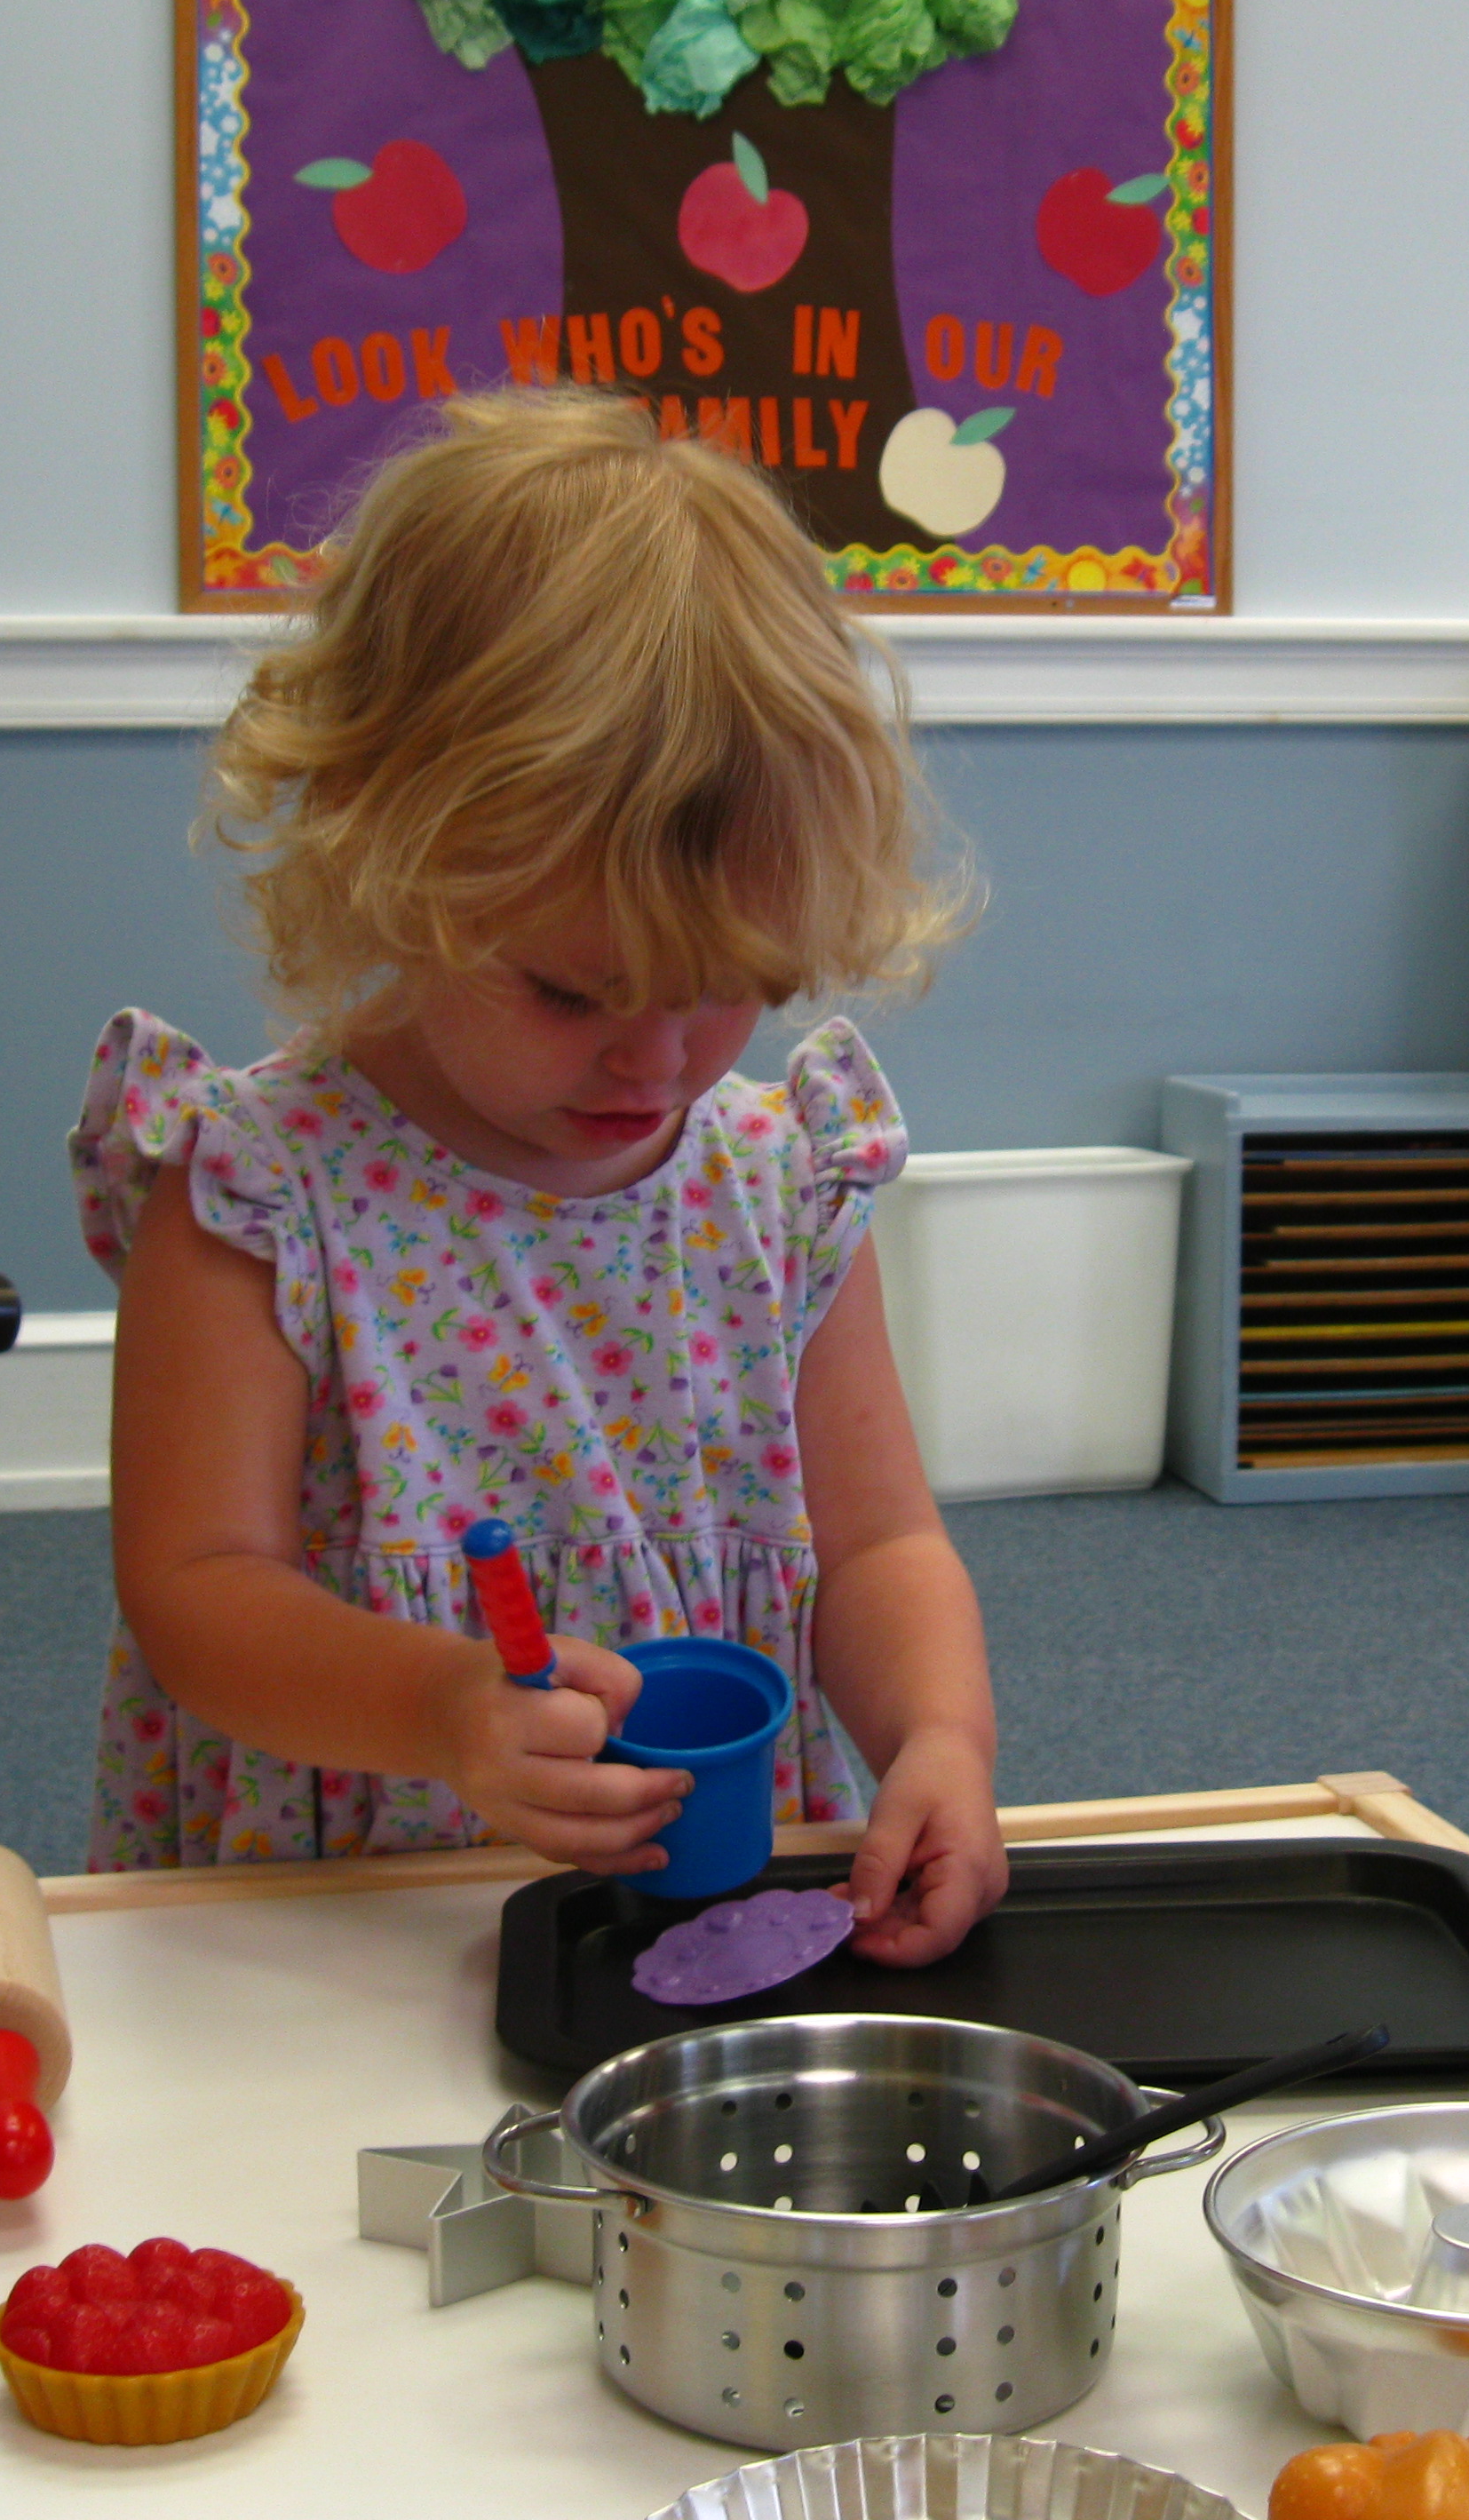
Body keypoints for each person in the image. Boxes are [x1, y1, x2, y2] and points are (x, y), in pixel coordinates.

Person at [75, 386, 1005, 1967]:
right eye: (573, 993)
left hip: (698, 1886)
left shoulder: (778, 1182)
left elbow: (877, 1546)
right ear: (390, 865)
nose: (656, 1062)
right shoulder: (252, 1187)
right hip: (342, 1906)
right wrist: (444, 1709)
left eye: (732, 984)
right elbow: (197, 1593)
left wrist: (942, 1738)